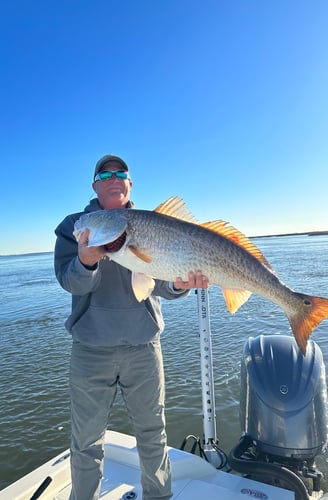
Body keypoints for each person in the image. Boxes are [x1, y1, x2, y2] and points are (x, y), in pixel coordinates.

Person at [54, 154, 209, 500]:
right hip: (90, 350)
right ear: (95, 185)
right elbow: (71, 283)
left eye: (120, 172)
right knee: (86, 442)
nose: (113, 177)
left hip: (144, 347)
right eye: (104, 173)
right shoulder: (75, 225)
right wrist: (85, 261)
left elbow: (162, 286)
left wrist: (182, 285)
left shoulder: (154, 224)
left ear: (129, 183)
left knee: (153, 435)